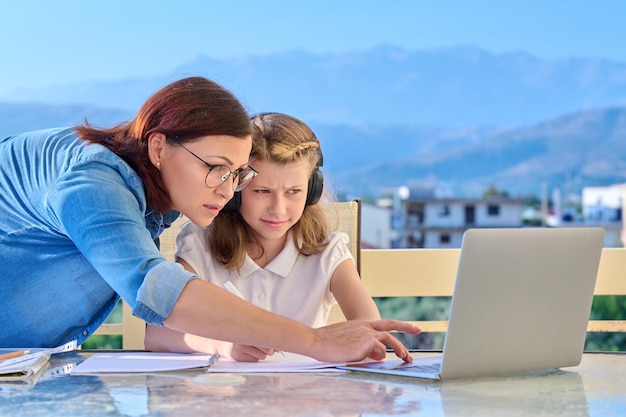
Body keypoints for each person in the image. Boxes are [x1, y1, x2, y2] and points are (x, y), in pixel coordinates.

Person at [0, 76, 419, 364]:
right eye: (217, 167)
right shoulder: (92, 185)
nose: (227, 189)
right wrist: (312, 340)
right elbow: (160, 293)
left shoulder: (152, 182)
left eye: (238, 174)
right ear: (160, 146)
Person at [144, 112, 381, 361]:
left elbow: (371, 330)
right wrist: (221, 345)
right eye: (261, 191)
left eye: (293, 191)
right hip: (225, 396)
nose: (278, 209)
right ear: (236, 188)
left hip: (306, 396)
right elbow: (156, 335)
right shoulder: (200, 243)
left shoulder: (329, 251)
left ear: (311, 191)